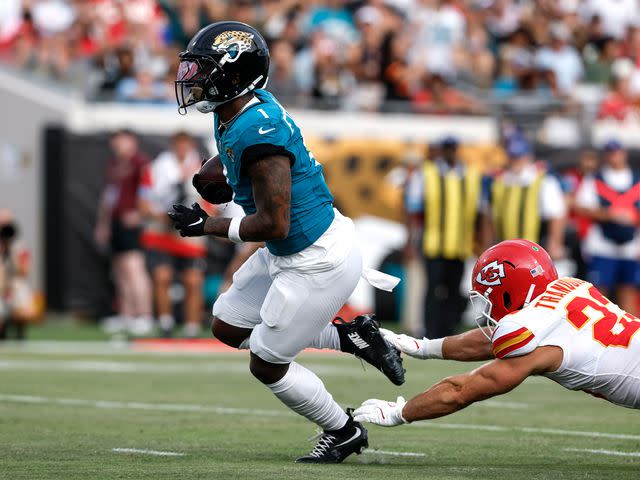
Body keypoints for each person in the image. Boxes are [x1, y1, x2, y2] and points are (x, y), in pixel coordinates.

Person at [169, 21, 404, 463]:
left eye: (203, 70)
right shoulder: (241, 107)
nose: (192, 80)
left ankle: (343, 429)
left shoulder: (259, 131)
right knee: (227, 324)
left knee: (267, 362)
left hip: (316, 259)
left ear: (234, 75)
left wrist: (208, 226)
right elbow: (244, 155)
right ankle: (351, 338)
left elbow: (273, 224)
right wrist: (217, 172)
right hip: (293, 250)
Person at [352, 239, 640, 428]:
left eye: (490, 295)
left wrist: (401, 413)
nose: (488, 305)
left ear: (510, 290)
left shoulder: (539, 341)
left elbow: (462, 391)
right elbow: (492, 340)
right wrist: (425, 347)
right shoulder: (569, 288)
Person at [404, 136, 491, 338]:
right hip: (433, 243)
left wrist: (484, 243)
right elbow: (412, 210)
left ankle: (448, 332)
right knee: (433, 289)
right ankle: (430, 332)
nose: (450, 153)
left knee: (454, 290)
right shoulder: (427, 174)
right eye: (447, 148)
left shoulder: (471, 175)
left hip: (461, 244)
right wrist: (410, 241)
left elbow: (482, 213)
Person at [139, 131, 207, 337]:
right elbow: (143, 202)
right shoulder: (156, 168)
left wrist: (195, 218)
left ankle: (192, 327)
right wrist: (161, 216)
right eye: (178, 145)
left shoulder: (202, 170)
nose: (182, 149)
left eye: (185, 145)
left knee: (193, 279)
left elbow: (212, 204)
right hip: (161, 230)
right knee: (162, 276)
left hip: (190, 229)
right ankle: (165, 323)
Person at [95, 129, 153, 336]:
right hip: (116, 222)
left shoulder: (140, 163)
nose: (117, 145)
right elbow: (108, 197)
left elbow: (150, 191)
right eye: (115, 141)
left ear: (132, 141)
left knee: (134, 268)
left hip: (131, 223)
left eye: (122, 140)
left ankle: (144, 315)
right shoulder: (114, 165)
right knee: (119, 270)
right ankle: (127, 314)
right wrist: (103, 224)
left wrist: (140, 214)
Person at [575, 140, 640, 315]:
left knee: (629, 294)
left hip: (630, 246)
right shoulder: (595, 179)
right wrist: (609, 214)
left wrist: (632, 216)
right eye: (611, 152)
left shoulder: (636, 179)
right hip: (602, 246)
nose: (615, 156)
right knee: (599, 299)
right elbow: (581, 206)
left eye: (617, 152)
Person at [491, 136, 567, 260]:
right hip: (506, 248)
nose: (516, 161)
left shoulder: (543, 180)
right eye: (513, 156)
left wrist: (555, 243)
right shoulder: (500, 182)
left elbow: (556, 214)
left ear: (528, 157)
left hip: (535, 249)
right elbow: (491, 215)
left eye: (519, 156)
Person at [0, 210, 37, 340]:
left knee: (26, 308)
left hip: (14, 285)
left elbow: (24, 272)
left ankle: (19, 331)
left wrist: (12, 252)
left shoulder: (19, 247)